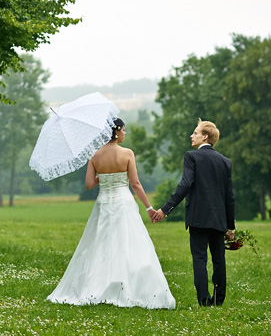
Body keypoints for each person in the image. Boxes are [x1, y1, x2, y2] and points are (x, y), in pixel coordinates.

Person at [47, 118, 176, 309]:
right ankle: (127, 286)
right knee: (127, 244)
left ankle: (98, 284)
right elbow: (135, 184)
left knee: (100, 244)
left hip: (103, 204)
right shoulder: (127, 153)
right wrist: (149, 208)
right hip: (123, 203)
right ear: (116, 132)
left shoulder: (94, 155)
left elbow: (89, 184)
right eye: (124, 130)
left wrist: (104, 176)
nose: (125, 133)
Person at [151, 119, 235, 307]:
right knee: (219, 260)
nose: (192, 135)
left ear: (205, 136)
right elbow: (229, 197)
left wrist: (165, 209)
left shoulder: (192, 157)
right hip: (219, 219)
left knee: (199, 259)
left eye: (195, 132)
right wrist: (231, 226)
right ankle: (218, 301)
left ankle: (204, 302)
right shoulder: (225, 162)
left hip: (198, 218)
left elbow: (185, 184)